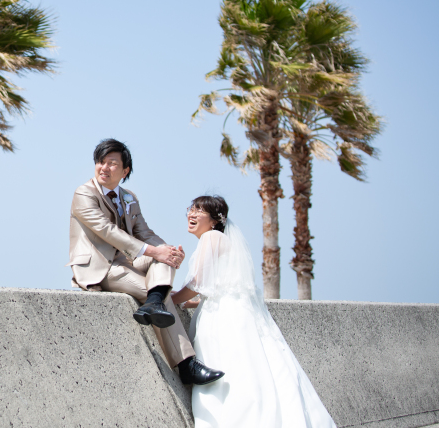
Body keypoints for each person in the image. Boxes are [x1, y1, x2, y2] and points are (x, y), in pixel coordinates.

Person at [67, 139, 224, 385]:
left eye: (112, 163)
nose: (104, 168)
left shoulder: (129, 197)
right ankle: (186, 364)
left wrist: (168, 251)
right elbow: (108, 231)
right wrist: (154, 251)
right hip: (100, 267)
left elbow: (144, 231)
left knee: (163, 257)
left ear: (125, 171)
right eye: (101, 162)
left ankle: (153, 302)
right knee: (161, 285)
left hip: (126, 262)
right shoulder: (84, 193)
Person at [172, 195, 337, 428]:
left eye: (199, 210)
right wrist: (189, 303)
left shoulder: (210, 237)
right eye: (191, 208)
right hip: (238, 312)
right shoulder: (223, 240)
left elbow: (198, 283)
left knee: (228, 366)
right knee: (251, 369)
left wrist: (170, 299)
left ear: (215, 220)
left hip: (222, 318)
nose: (192, 213)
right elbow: (221, 288)